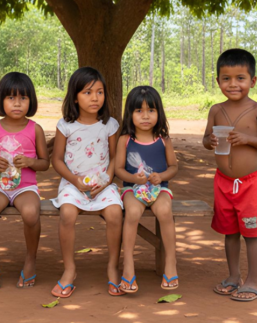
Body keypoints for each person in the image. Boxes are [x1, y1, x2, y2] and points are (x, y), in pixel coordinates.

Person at [203, 48, 257, 302]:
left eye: (240, 78)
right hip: (223, 183)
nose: (233, 84)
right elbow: (205, 140)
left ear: (253, 81)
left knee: (251, 233)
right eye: (226, 78)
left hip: (250, 184)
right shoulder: (215, 110)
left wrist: (248, 139)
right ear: (218, 81)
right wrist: (210, 140)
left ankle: (253, 281)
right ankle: (234, 276)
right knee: (230, 231)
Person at [50, 67, 125, 298]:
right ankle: (69, 269)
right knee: (68, 215)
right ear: (75, 96)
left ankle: (112, 267)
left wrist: (107, 180)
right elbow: (57, 159)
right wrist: (74, 180)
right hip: (72, 184)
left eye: (100, 92)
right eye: (88, 92)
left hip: (103, 184)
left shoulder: (109, 124)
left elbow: (114, 157)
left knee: (114, 213)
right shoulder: (66, 125)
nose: (95, 98)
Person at [0, 72, 50, 289]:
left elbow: (45, 163)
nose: (17, 103)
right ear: (1, 100)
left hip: (25, 187)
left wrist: (30, 161)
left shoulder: (35, 129)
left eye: (23, 98)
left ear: (31, 101)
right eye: (10, 98)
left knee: (30, 213)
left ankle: (30, 259)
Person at [114, 86, 179, 293]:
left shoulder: (163, 139)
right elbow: (118, 169)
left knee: (164, 211)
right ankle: (129, 264)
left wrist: (161, 177)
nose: (145, 116)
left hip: (160, 189)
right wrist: (134, 179)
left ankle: (170, 261)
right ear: (130, 114)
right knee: (132, 212)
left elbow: (173, 167)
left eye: (151, 110)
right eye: (139, 111)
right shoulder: (125, 140)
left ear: (159, 112)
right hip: (132, 190)